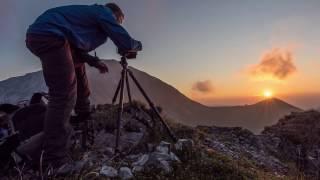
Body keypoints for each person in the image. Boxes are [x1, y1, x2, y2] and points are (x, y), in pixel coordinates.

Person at [24, 3, 142, 168]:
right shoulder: (103, 11)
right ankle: (54, 161)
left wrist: (94, 61)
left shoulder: (86, 18)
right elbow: (125, 41)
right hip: (50, 36)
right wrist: (136, 45)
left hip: (45, 35)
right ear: (115, 14)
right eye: (119, 21)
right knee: (63, 94)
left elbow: (77, 50)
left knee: (77, 66)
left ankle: (82, 116)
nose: (118, 25)